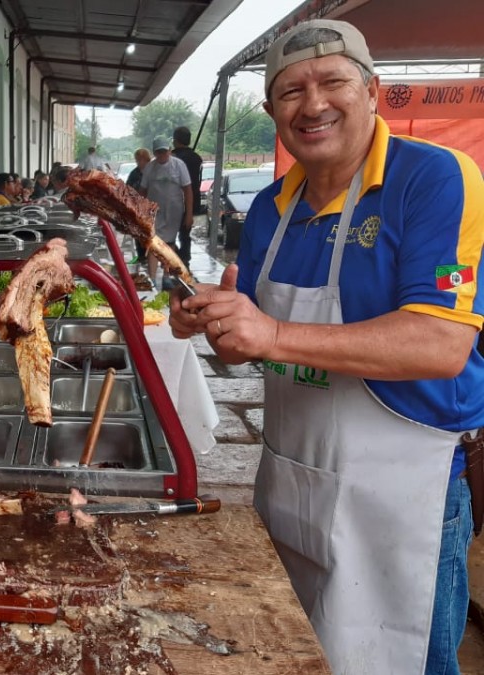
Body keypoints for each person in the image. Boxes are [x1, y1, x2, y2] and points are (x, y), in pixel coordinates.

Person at [169, 19, 484, 675]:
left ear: (373, 90)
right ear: (271, 112)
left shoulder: (434, 180)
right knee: (297, 653)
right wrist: (216, 324)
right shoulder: (271, 210)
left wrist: (275, 332)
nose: (312, 105)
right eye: (290, 91)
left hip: (403, 498)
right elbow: (248, 348)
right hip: (293, 486)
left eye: (332, 81)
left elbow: (441, 343)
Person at [139, 138, 192, 286]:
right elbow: (142, 191)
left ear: (169, 150)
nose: (162, 155)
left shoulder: (179, 166)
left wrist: (189, 214)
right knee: (153, 242)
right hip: (154, 211)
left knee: (169, 242)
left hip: (174, 210)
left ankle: (167, 275)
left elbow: (188, 190)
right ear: (155, 153)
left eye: (164, 151)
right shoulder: (150, 168)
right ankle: (152, 278)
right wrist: (140, 213)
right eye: (159, 152)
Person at [171, 126, 202, 269]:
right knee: (185, 233)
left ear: (175, 140)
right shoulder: (196, 158)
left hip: (173, 201)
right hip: (192, 200)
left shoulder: (172, 158)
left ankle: (176, 256)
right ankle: (185, 258)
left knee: (168, 235)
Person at [126, 148, 152, 263]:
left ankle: (151, 256)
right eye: (137, 160)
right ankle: (142, 256)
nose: (139, 162)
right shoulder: (134, 174)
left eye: (142, 160)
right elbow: (127, 189)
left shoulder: (153, 171)